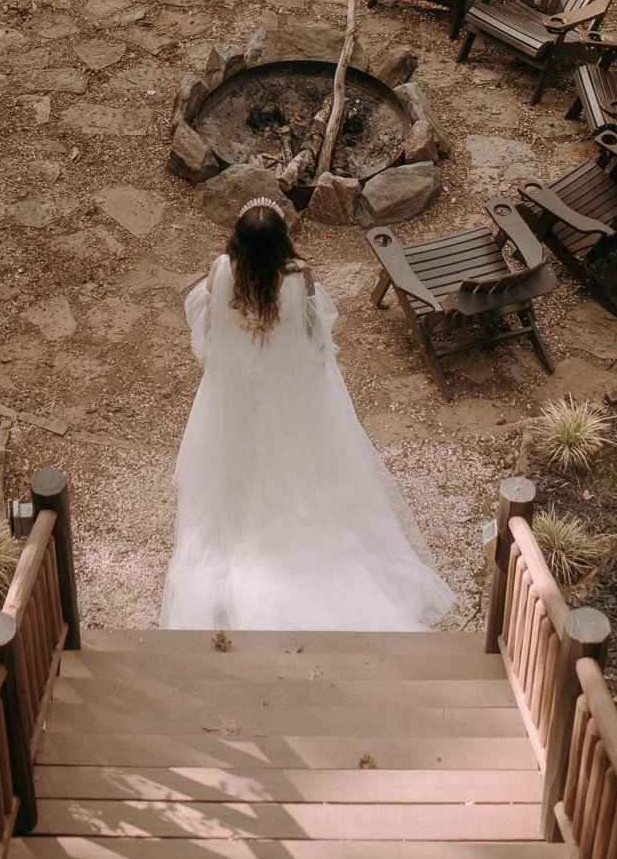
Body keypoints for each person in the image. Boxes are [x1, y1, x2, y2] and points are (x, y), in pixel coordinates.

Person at [160, 201, 455, 632]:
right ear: (282, 241)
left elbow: (205, 334)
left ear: (238, 242)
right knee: (295, 458)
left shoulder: (221, 271)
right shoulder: (299, 279)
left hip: (236, 390)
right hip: (287, 388)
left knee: (236, 454)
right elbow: (318, 341)